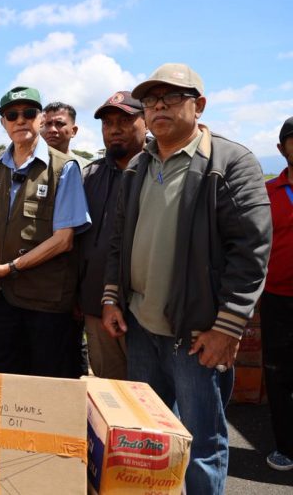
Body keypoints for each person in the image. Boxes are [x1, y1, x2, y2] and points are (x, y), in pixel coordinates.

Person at [101, 63, 271, 493]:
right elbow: (119, 238)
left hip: (197, 335)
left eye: (172, 97)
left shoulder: (229, 162)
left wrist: (227, 327)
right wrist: (112, 298)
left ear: (199, 105)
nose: (159, 106)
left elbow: (251, 251)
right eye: (151, 99)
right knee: (150, 437)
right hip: (141, 327)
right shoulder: (138, 166)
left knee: (202, 445)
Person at [0, 86, 90, 378]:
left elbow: (64, 240)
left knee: (44, 389)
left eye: (29, 113)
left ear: (40, 118)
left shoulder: (64, 168)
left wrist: (9, 268)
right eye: (12, 115)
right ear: (3, 123)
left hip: (45, 303)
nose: (20, 120)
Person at [77, 91, 146, 379]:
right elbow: (78, 241)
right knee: (110, 388)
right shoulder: (89, 175)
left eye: (125, 121)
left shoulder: (158, 170)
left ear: (146, 122)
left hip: (144, 312)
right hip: (96, 306)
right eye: (107, 123)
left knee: (151, 393)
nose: (115, 129)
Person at [260, 116, 293, 471]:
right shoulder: (267, 193)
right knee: (278, 373)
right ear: (282, 148)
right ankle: (285, 446)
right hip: (276, 298)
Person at [40, 101, 90, 167]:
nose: (52, 130)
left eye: (59, 124)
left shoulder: (87, 168)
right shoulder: (28, 164)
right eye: (47, 124)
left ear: (73, 131)